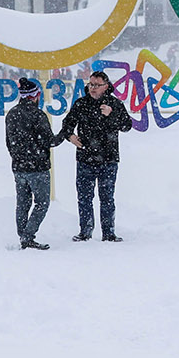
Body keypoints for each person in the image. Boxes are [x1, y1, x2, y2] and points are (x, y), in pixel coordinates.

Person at [56, 70, 133, 242]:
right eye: (91, 84)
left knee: (107, 198)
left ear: (106, 86)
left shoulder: (115, 104)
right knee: (84, 198)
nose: (93, 88)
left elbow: (127, 125)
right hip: (85, 157)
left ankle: (108, 233)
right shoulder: (81, 103)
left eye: (97, 85)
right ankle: (85, 232)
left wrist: (111, 114)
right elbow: (67, 123)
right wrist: (70, 136)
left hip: (108, 158)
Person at [4, 78, 54, 250]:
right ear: (37, 95)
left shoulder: (11, 114)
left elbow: (9, 142)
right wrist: (66, 133)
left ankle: (22, 234)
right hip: (38, 167)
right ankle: (28, 236)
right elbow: (50, 141)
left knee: (23, 203)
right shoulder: (38, 115)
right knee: (42, 202)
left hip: (19, 167)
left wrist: (18, 158)